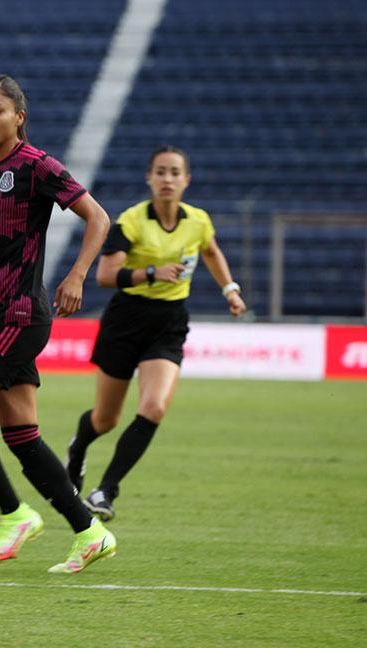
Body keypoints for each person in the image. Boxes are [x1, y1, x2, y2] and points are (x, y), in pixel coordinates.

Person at [0, 74, 116, 574]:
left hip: (20, 313)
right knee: (22, 437)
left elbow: (98, 218)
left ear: (19, 117)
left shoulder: (36, 166)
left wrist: (77, 274)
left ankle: (14, 514)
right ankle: (90, 532)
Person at [66, 145, 247, 521]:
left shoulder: (198, 221)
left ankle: (105, 491)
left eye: (175, 172)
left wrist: (230, 290)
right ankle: (77, 449)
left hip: (168, 322)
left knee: (154, 407)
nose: (167, 179)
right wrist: (151, 273)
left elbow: (211, 252)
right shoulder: (131, 222)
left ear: (186, 180)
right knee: (105, 420)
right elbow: (104, 276)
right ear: (149, 178)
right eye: (160, 172)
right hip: (125, 321)